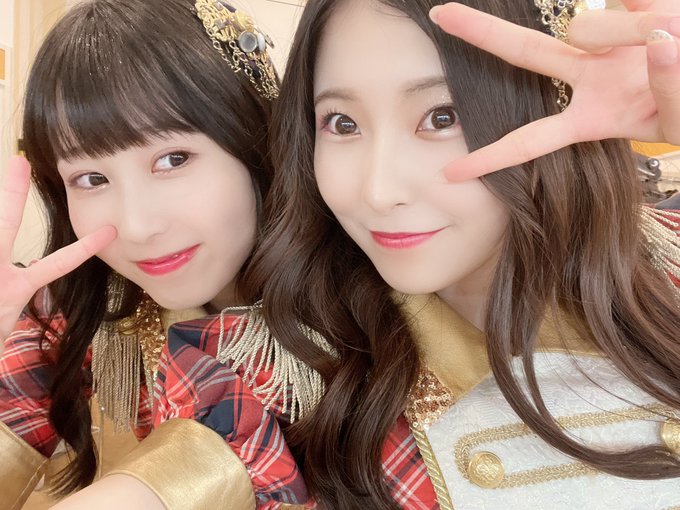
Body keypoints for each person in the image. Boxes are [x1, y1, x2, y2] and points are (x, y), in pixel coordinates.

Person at [45, 0, 680, 508]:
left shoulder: (664, 255)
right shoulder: (275, 370)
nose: (377, 191)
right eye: (342, 124)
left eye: (441, 116)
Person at [0, 0, 279, 507]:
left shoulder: (372, 326)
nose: (137, 226)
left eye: (173, 159)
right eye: (92, 178)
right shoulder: (80, 319)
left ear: (258, 142)